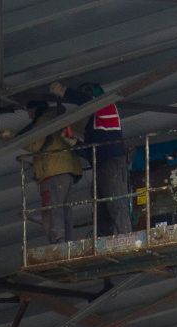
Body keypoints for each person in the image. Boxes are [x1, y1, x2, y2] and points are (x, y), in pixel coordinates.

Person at [63, 81, 130, 238]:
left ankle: (126, 236)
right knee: (102, 207)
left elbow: (87, 101)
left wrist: (65, 92)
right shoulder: (93, 125)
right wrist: (74, 143)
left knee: (115, 202)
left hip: (112, 162)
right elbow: (91, 152)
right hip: (101, 164)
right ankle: (104, 238)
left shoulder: (107, 106)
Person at [25, 94, 82, 244]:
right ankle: (67, 241)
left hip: (53, 171)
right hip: (67, 171)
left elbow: (35, 144)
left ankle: (58, 240)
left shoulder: (44, 120)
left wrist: (15, 139)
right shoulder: (59, 115)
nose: (29, 116)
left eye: (29, 112)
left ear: (35, 109)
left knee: (52, 208)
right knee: (64, 209)